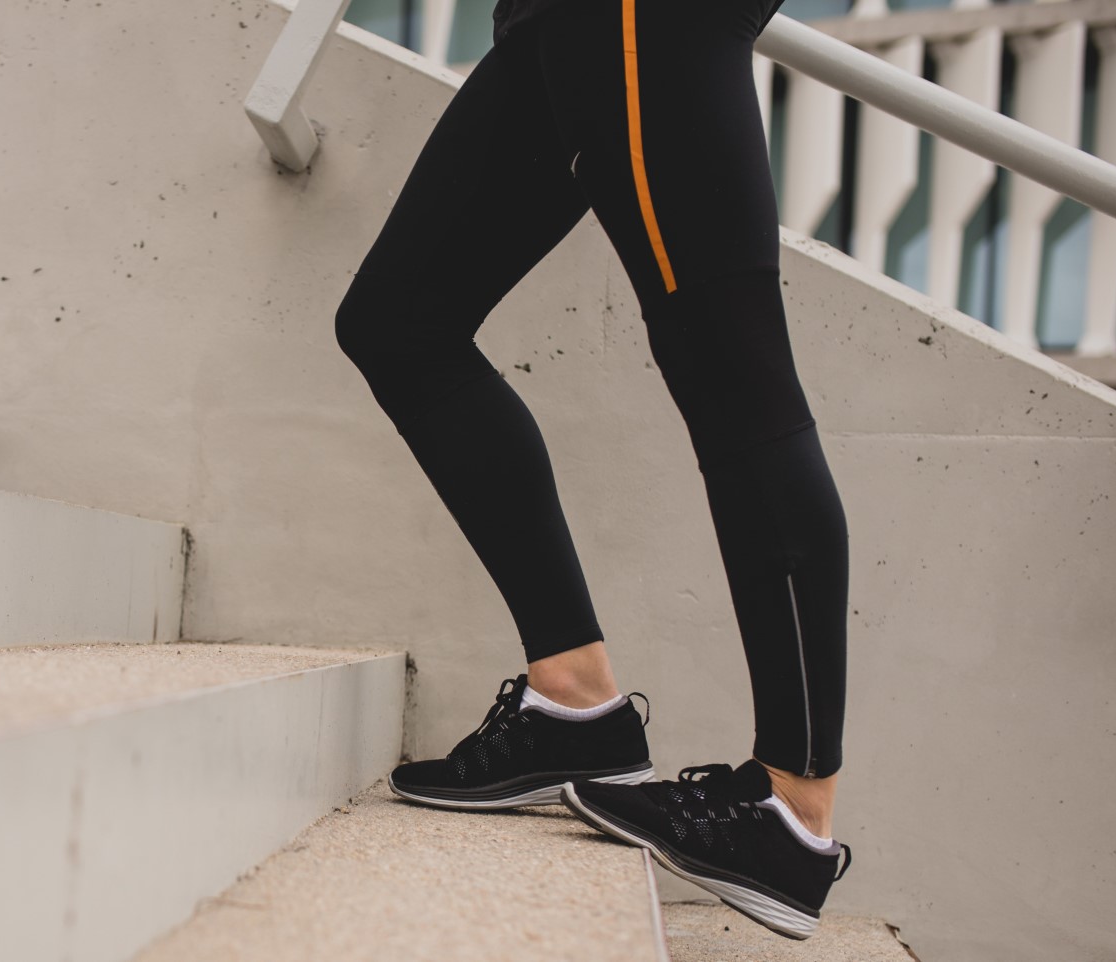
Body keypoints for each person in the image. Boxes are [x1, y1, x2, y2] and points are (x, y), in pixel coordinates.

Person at [332, 0, 853, 941]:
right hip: (555, 20)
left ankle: (793, 807)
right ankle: (574, 701)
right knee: (399, 323)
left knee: (735, 377)